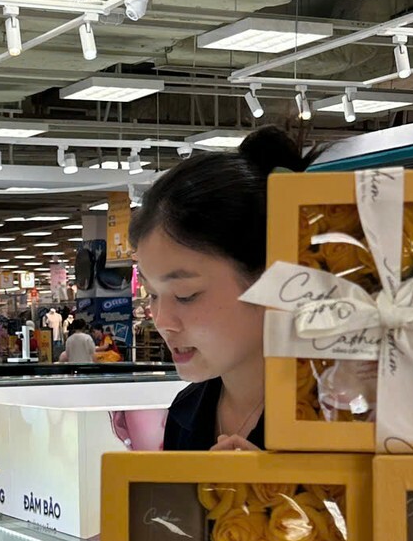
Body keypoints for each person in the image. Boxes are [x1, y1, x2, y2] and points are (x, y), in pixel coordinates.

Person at [132, 126, 309, 451]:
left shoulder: (338, 416)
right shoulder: (185, 411)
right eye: (152, 294)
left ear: (270, 278)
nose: (162, 321)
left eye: (185, 295)